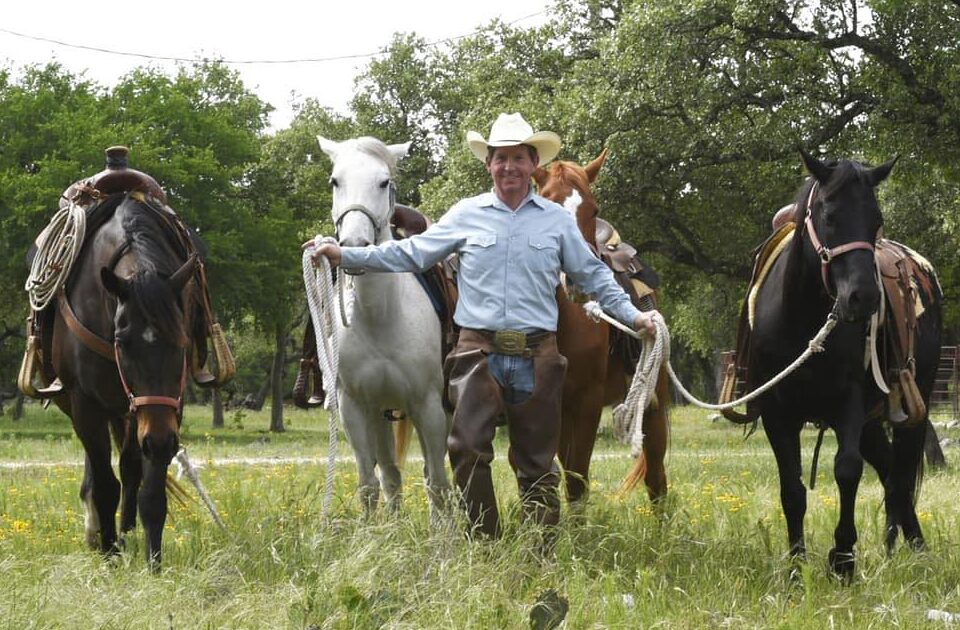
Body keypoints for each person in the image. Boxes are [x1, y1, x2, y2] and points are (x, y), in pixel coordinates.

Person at [305, 113, 656, 539]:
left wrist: (634, 316)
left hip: (538, 353)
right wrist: (347, 256)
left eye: (518, 158)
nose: (509, 167)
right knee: (467, 450)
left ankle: (536, 550)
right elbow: (410, 253)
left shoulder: (557, 221)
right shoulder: (466, 214)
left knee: (537, 461)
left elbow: (596, 278)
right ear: (488, 164)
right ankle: (484, 544)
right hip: (477, 352)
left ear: (532, 165)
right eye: (500, 158)